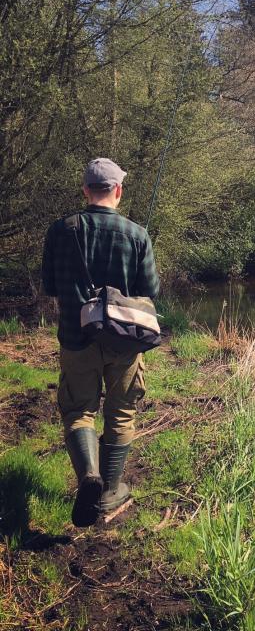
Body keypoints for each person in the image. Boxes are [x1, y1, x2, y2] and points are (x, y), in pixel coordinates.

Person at [41, 158, 160, 527]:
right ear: (118, 191)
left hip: (76, 337)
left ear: (85, 190)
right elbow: (150, 290)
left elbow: (50, 286)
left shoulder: (60, 231)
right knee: (121, 412)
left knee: (79, 411)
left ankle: (88, 476)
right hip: (124, 341)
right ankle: (109, 492)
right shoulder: (137, 235)